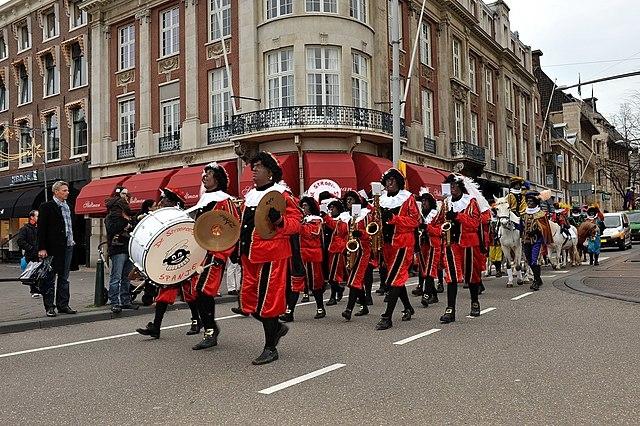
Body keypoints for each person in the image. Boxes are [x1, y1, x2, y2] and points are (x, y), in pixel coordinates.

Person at [238, 152, 302, 365]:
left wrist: (280, 220)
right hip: (250, 255)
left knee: (268, 302)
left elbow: (296, 224)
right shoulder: (249, 197)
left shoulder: (282, 195)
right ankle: (277, 328)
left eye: (258, 166)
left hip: (272, 255)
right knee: (250, 303)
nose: (253, 170)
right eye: (253, 166)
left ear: (270, 172)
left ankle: (270, 347)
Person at [136, 187, 201, 339]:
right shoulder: (163, 217)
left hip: (185, 258)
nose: (161, 202)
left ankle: (196, 320)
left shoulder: (182, 216)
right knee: (165, 294)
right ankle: (156, 327)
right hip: (170, 260)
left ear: (172, 201)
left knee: (189, 293)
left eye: (164, 199)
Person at [190, 162, 240, 350]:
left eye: (209, 173)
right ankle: (210, 328)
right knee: (198, 292)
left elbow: (232, 229)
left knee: (203, 291)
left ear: (217, 178)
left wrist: (222, 254)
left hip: (215, 252)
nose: (204, 176)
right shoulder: (203, 200)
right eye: (204, 173)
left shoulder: (224, 201)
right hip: (201, 253)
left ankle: (210, 332)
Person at [435, 174, 483, 324]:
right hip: (451, 244)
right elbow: (438, 222)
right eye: (451, 186)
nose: (453, 189)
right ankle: (450, 309)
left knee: (471, 275)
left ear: (461, 187)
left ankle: (474, 302)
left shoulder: (470, 202)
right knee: (451, 277)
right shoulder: (446, 203)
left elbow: (475, 223)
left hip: (468, 243)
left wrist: (457, 216)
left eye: (455, 186)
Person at [376, 168, 419, 330]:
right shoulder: (381, 200)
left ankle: (387, 317)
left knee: (395, 278)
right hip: (387, 244)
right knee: (395, 279)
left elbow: (415, 221)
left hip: (403, 243)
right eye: (387, 180)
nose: (390, 182)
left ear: (399, 182)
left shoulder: (407, 198)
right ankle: (408, 307)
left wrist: (394, 219)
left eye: (393, 180)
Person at [38, 180, 77, 317]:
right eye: (64, 190)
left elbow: (70, 226)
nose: (67, 192)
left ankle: (63, 304)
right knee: (50, 277)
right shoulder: (46, 207)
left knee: (64, 277)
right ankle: (49, 307)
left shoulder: (68, 207)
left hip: (68, 246)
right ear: (56, 192)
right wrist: (42, 247)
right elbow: (41, 229)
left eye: (67, 190)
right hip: (53, 248)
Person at [105, 186, 138, 313]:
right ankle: (114, 301)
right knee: (116, 276)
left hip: (127, 247)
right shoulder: (113, 215)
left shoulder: (128, 215)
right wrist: (126, 224)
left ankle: (125, 300)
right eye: (124, 194)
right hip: (118, 249)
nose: (127, 197)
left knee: (126, 277)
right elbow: (113, 229)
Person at [340, 190, 371, 321]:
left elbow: (372, 233)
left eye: (351, 200)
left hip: (363, 251)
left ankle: (348, 309)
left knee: (354, 280)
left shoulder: (365, 215)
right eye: (347, 200)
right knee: (356, 280)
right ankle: (364, 305)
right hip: (351, 250)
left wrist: (362, 234)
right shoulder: (345, 217)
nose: (348, 202)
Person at [521, 191, 552, 291]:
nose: (529, 203)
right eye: (528, 201)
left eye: (531, 201)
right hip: (525, 240)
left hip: (536, 241)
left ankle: (535, 281)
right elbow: (520, 225)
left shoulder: (541, 214)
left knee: (534, 260)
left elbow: (545, 228)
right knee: (529, 260)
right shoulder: (523, 213)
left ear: (535, 202)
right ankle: (538, 279)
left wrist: (536, 231)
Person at [416, 190, 440, 308]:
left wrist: (427, 228)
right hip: (422, 245)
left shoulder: (436, 214)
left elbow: (440, 231)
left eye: (426, 201)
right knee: (424, 270)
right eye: (422, 201)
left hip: (433, 245)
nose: (424, 203)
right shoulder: (419, 215)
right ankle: (434, 295)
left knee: (430, 269)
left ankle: (426, 295)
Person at [322, 198, 348, 306]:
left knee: (334, 274)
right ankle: (338, 289)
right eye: (330, 208)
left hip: (338, 248)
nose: (331, 210)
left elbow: (338, 228)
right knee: (330, 274)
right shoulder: (330, 219)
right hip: (329, 249)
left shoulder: (343, 219)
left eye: (333, 208)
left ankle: (333, 295)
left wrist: (325, 217)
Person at [17, 210, 40, 297]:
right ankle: (34, 290)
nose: (39, 218)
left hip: (40, 254)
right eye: (37, 216)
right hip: (31, 254)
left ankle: (39, 288)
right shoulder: (25, 229)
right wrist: (31, 248)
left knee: (40, 271)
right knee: (32, 271)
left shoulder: (39, 228)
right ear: (32, 217)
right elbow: (20, 241)